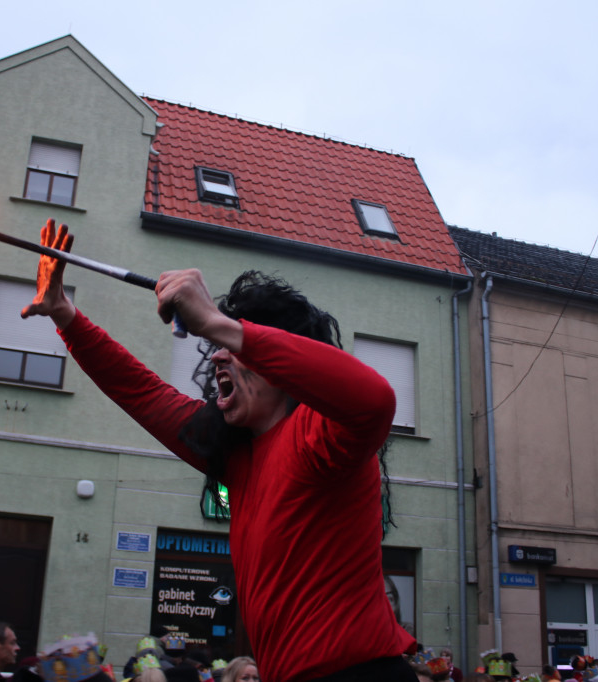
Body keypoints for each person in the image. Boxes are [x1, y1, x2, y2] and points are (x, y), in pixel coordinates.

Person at [22, 220, 416, 681]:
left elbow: (376, 398)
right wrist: (65, 315)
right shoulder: (237, 454)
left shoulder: (323, 434)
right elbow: (142, 392)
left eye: (230, 344)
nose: (215, 355)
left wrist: (218, 322)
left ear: (283, 364)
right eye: (215, 344)